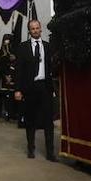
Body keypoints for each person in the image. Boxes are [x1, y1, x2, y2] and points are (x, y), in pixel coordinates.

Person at [14, 19, 57, 161]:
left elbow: (52, 67)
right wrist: (18, 90)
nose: (35, 30)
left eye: (37, 28)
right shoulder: (23, 47)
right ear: (29, 31)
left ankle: (50, 153)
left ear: (40, 29)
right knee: (30, 119)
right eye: (32, 29)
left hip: (45, 86)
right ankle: (30, 148)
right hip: (30, 88)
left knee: (48, 121)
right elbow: (19, 70)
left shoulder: (48, 46)